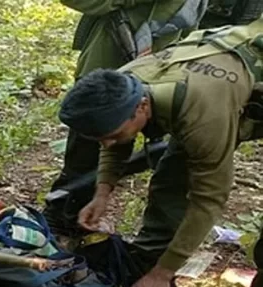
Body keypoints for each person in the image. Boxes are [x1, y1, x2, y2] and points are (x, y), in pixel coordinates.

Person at [57, 19, 263, 287]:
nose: (107, 143)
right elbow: (115, 140)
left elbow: (209, 200)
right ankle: (143, 267)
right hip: (216, 86)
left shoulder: (202, 115)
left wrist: (163, 273)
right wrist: (102, 191)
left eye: (113, 134)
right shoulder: (123, 82)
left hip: (223, 94)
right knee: (171, 181)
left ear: (142, 107)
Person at [42, 0, 204, 230]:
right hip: (107, 76)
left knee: (137, 152)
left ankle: (80, 221)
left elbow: (190, 28)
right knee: (84, 157)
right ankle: (59, 220)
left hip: (158, 77)